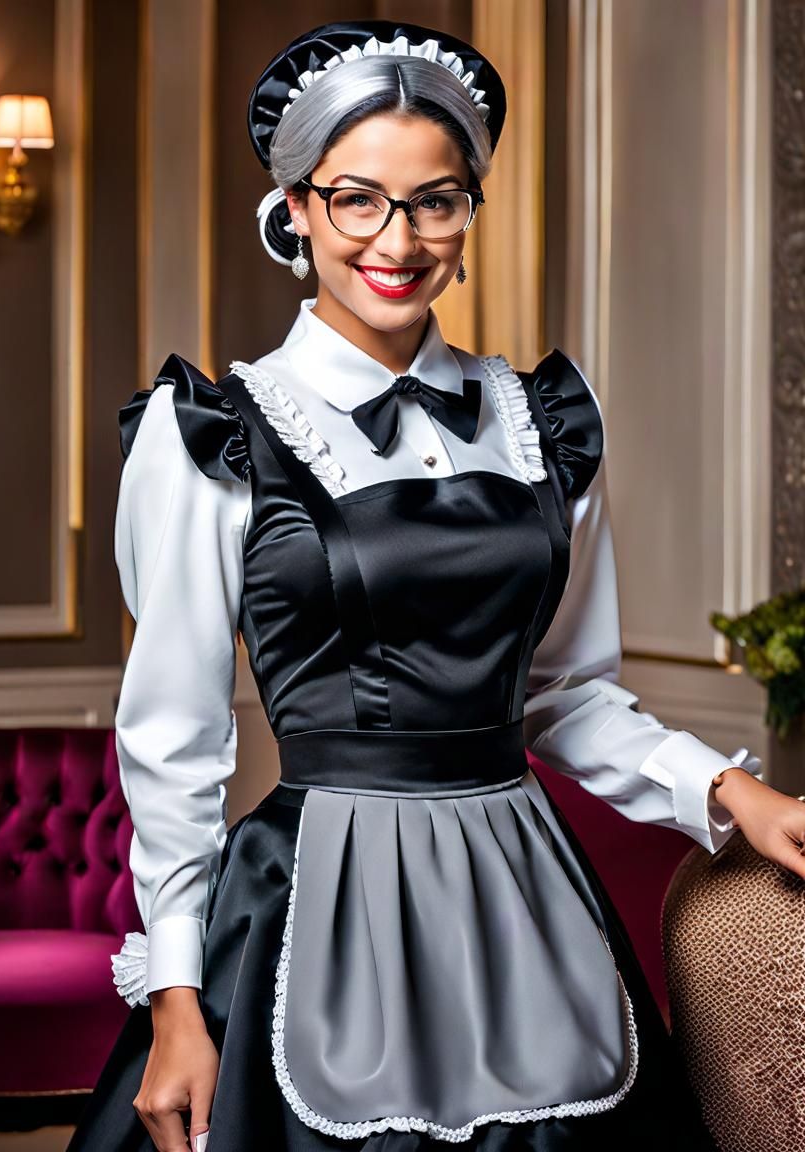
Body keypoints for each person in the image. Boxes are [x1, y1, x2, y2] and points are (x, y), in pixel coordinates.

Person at [67, 20, 805, 1152]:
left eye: (435, 200)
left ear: (469, 210)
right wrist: (174, 997)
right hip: (310, 905)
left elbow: (562, 694)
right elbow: (173, 740)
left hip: (524, 902)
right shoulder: (210, 433)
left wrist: (731, 795)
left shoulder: (544, 421)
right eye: (357, 199)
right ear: (296, 210)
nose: (396, 239)